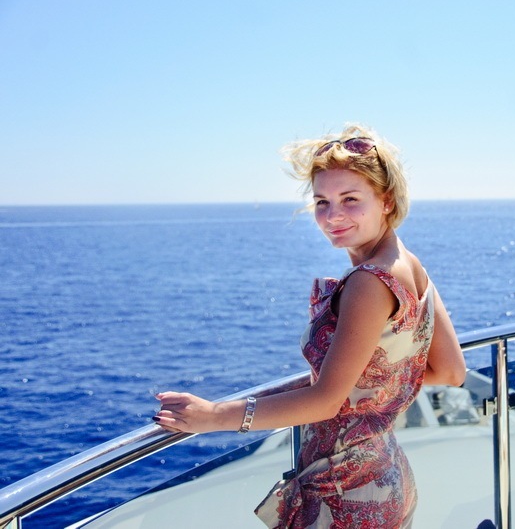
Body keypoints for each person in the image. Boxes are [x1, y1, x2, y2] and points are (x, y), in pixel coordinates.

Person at [152, 123, 466, 528]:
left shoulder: (369, 283)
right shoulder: (408, 264)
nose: (332, 215)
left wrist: (214, 416)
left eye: (350, 199)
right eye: (321, 202)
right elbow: (450, 370)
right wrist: (368, 390)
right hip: (387, 479)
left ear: (386, 200)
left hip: (345, 492)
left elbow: (326, 401)